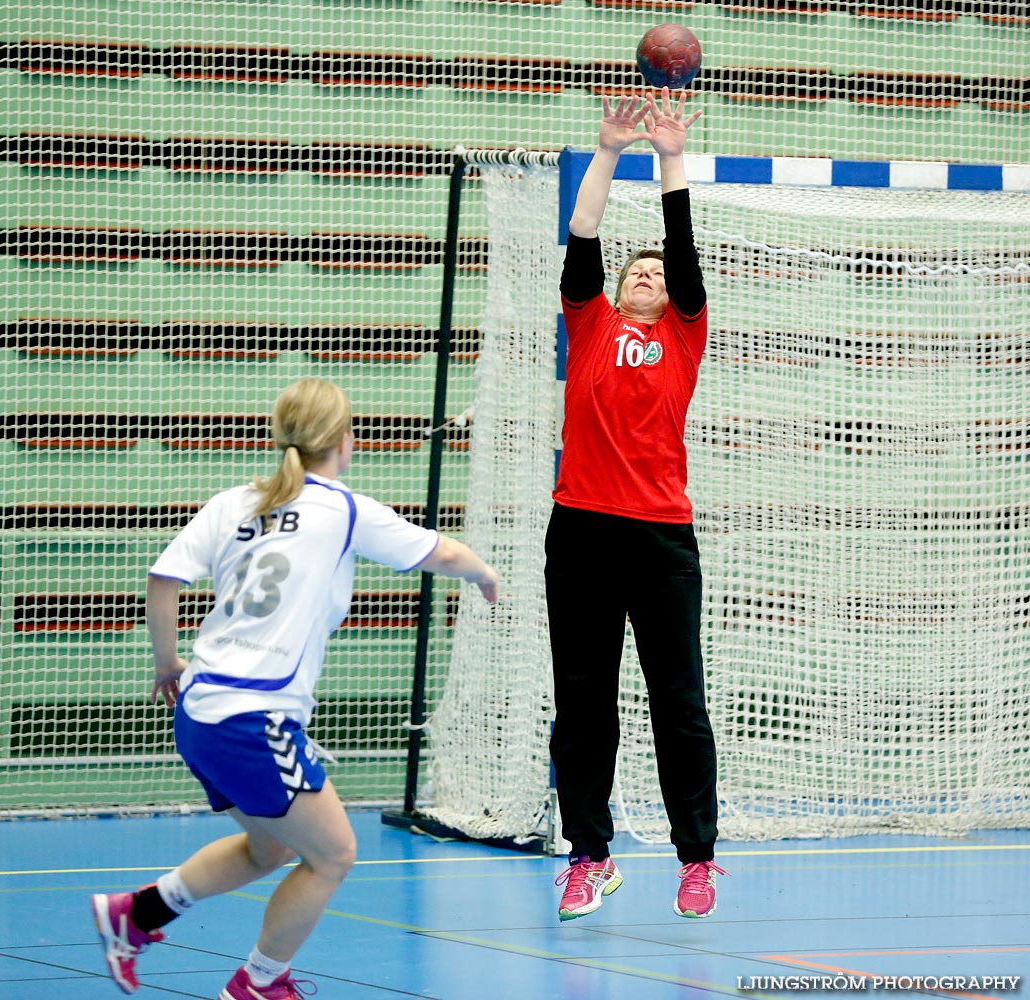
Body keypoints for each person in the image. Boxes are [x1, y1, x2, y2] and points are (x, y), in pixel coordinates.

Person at [91, 377, 498, 999]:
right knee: (334, 855)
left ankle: (138, 914)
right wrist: (487, 575)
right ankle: (257, 984)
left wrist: (166, 665)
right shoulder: (345, 509)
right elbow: (442, 553)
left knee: (271, 850)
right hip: (256, 718)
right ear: (343, 441)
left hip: (199, 711)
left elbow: (163, 577)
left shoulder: (234, 502)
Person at [547, 88, 725, 922]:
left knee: (677, 702)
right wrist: (611, 149)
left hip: (661, 537)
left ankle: (698, 859)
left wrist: (670, 155)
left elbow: (682, 245)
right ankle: (588, 854)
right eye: (636, 270)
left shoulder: (684, 333)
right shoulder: (589, 323)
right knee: (584, 701)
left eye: (658, 272)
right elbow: (583, 239)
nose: (649, 273)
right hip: (580, 528)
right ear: (617, 291)